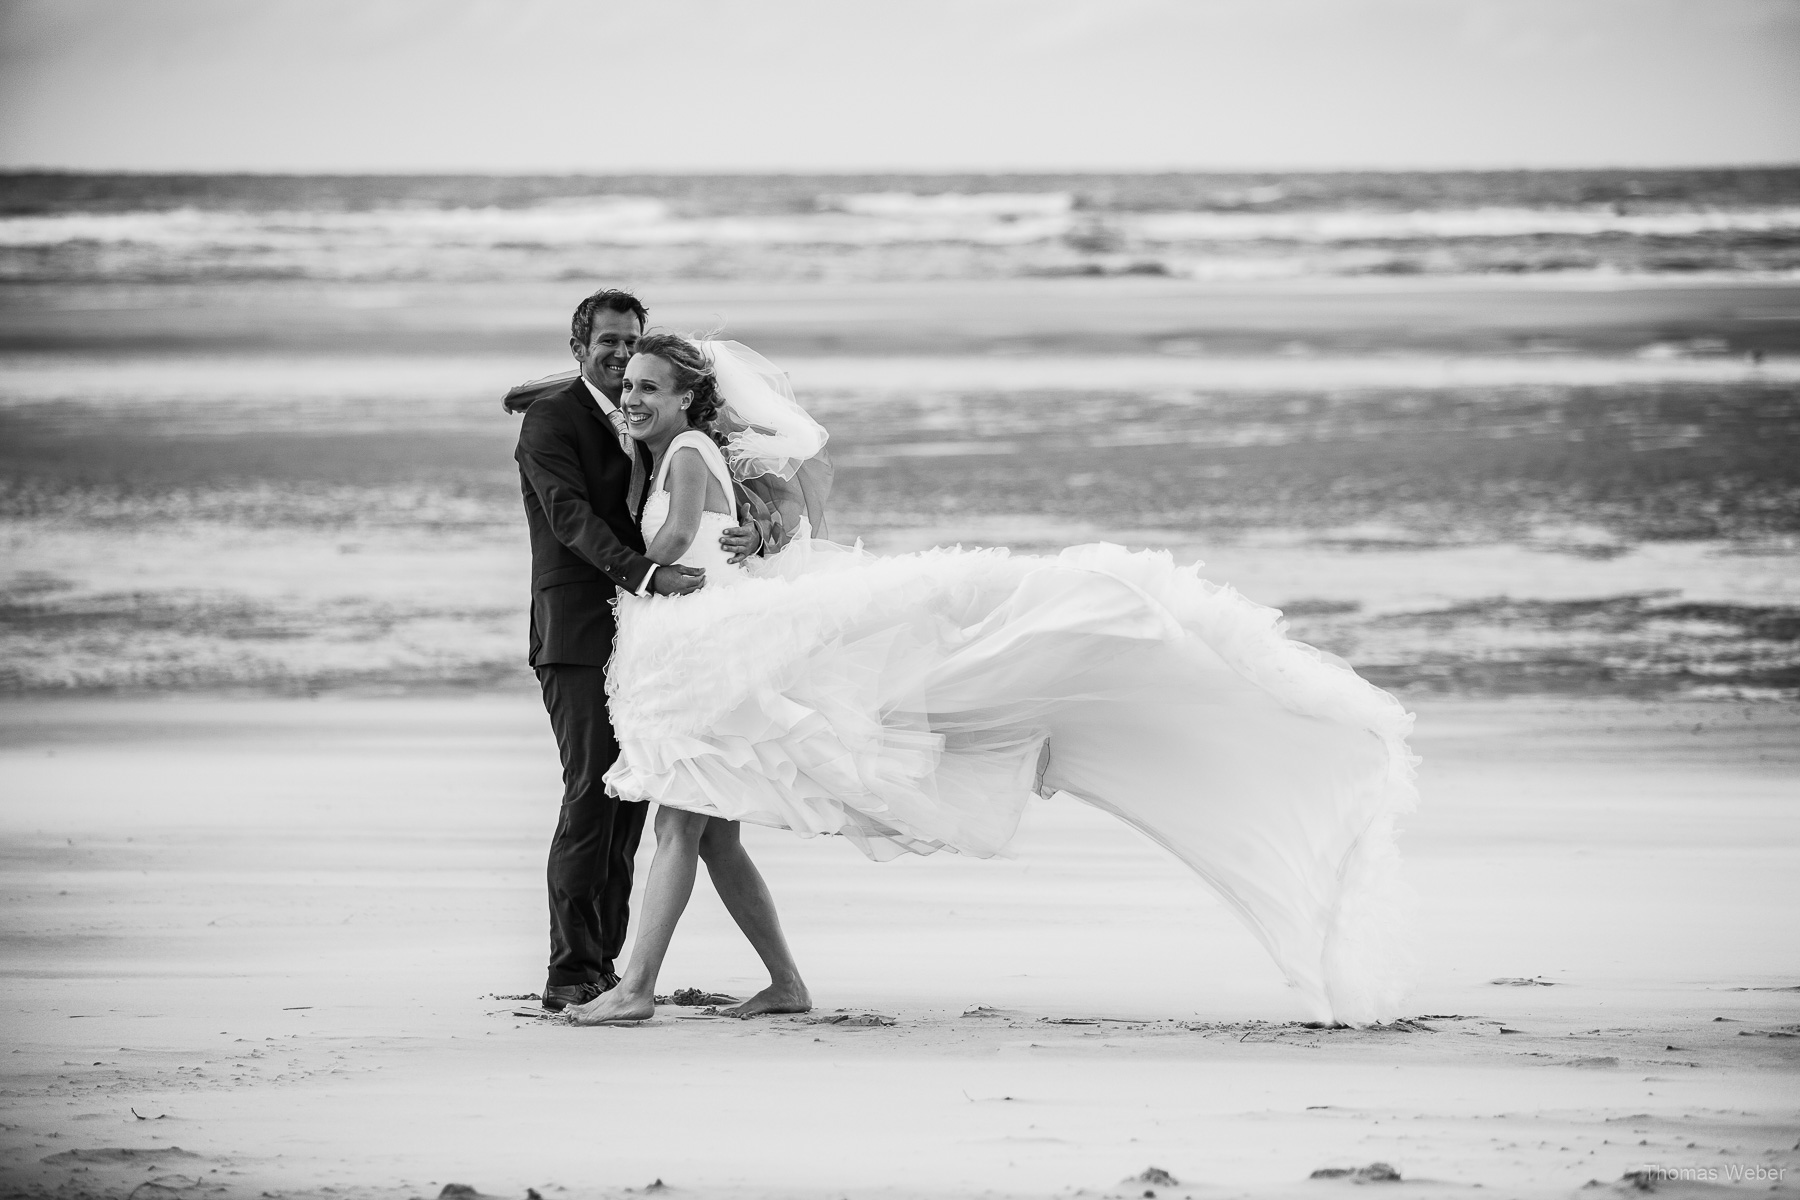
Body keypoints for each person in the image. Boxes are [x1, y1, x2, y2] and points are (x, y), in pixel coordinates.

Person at [571, 334, 1418, 1029]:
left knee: (683, 825)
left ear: (687, 400)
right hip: (709, 651)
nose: (635, 398)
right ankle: (782, 981)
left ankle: (639, 985)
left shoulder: (680, 454)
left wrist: (618, 562)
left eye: (651, 386)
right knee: (706, 832)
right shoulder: (688, 446)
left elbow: (675, 540)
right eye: (628, 387)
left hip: (711, 655)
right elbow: (733, 525)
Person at [511, 290, 762, 1012]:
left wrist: (758, 536)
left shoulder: (648, 418)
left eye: (631, 344)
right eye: (608, 344)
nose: (620, 358)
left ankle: (607, 967)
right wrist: (647, 574)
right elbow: (571, 520)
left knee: (632, 800)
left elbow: (735, 493)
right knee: (591, 795)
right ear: (578, 347)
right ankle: (569, 970)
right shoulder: (552, 421)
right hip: (580, 633)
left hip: (647, 642)